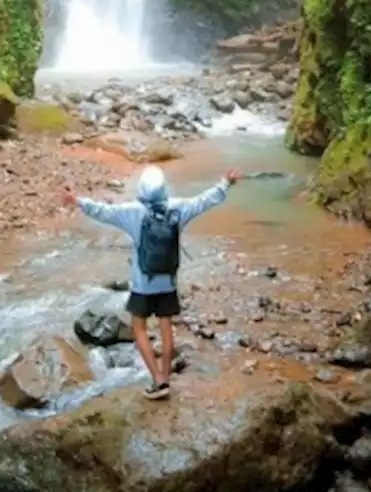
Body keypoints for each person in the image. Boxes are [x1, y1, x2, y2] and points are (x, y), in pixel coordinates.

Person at [61, 165, 240, 400]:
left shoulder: (132, 212)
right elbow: (203, 202)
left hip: (142, 284)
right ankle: (166, 378)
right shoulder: (177, 209)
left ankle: (157, 380)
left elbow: (103, 211)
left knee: (139, 328)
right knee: (166, 328)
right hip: (168, 282)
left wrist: (77, 201)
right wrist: (225, 184)